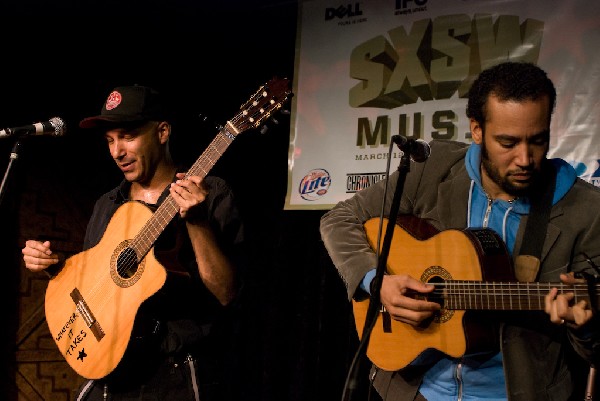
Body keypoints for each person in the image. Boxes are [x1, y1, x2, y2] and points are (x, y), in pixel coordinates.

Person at [320, 62, 600, 401]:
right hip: (414, 390)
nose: (525, 158)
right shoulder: (433, 167)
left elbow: (594, 352)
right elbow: (340, 219)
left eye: (538, 141)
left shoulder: (585, 210)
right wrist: (377, 283)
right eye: (507, 142)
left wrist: (584, 327)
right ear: (477, 130)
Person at [21, 85, 246, 401]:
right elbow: (98, 281)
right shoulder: (109, 204)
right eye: (110, 141)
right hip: (110, 371)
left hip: (175, 377)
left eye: (127, 136)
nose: (117, 152)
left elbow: (226, 293)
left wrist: (197, 223)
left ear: (162, 132)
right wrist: (54, 267)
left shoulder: (211, 194)